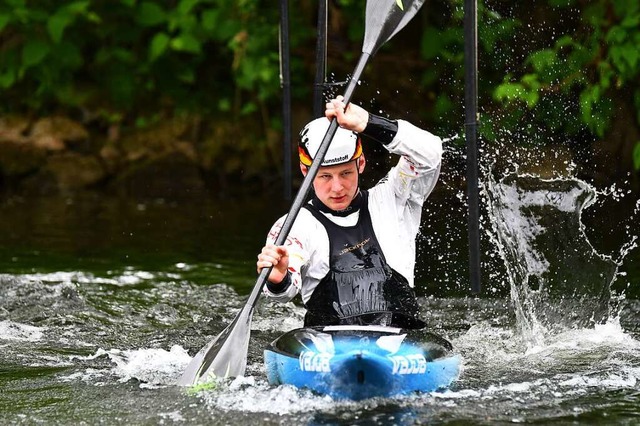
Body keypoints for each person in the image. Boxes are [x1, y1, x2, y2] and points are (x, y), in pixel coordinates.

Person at [256, 95, 443, 329]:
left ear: (361, 163)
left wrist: (369, 123)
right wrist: (278, 277)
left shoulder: (393, 198)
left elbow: (431, 154)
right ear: (306, 171)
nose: (337, 188)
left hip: (401, 342)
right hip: (328, 349)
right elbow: (282, 293)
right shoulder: (294, 226)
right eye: (325, 176)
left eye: (346, 173)